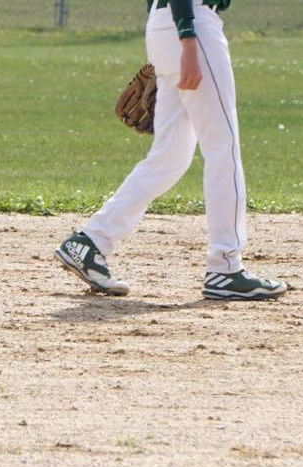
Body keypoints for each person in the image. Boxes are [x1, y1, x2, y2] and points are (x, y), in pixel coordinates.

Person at [55, 0, 287, 301]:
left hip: (168, 25)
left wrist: (170, 40)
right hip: (191, 26)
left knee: (170, 157)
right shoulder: (191, 32)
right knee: (222, 149)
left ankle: (90, 242)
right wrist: (187, 39)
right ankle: (225, 266)